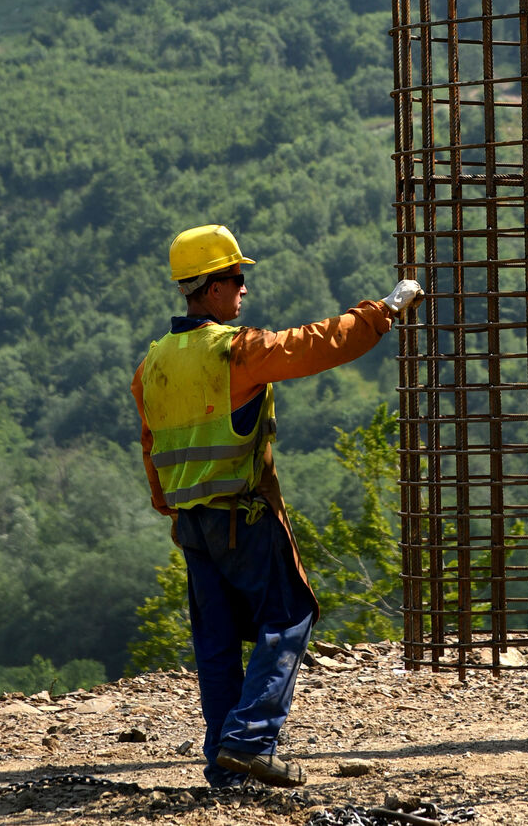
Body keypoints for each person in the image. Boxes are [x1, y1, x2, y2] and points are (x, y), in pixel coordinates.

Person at [131, 223, 423, 790]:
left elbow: (152, 448)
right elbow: (314, 344)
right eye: (237, 279)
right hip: (243, 518)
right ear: (211, 288)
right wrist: (384, 310)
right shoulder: (233, 351)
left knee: (215, 644)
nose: (244, 290)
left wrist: (174, 512)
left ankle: (225, 766)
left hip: (191, 524)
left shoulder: (153, 366)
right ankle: (251, 738)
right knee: (288, 615)